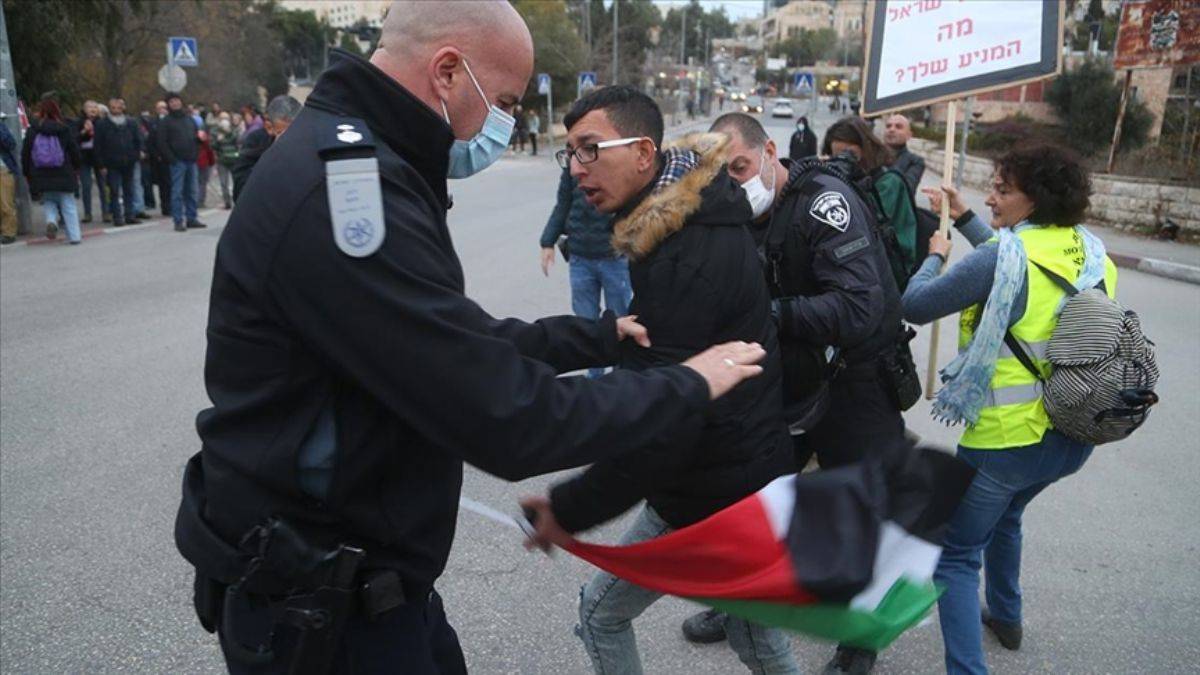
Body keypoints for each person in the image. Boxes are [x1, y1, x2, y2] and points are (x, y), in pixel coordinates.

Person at [173, 4, 768, 673]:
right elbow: (505, 414)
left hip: (371, 588)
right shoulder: (346, 193)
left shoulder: (367, 161)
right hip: (322, 609)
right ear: (448, 71)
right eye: (506, 101)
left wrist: (594, 338)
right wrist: (689, 382)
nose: (503, 124)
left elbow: (453, 337)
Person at [522, 88, 800, 675]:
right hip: (733, 475)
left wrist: (567, 509)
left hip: (714, 492)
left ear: (645, 152)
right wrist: (606, 338)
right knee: (761, 645)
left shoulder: (685, 253)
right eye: (569, 154)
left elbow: (664, 418)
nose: (576, 170)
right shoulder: (684, 225)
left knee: (602, 614)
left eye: (590, 151)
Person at [678, 112, 910, 675]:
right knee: (756, 503)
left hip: (857, 383)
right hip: (794, 380)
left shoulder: (824, 204)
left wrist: (770, 316)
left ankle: (861, 640)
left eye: (740, 167)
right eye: (721, 173)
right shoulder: (737, 213)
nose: (734, 182)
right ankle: (740, 607)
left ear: (769, 152)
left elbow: (859, 307)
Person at [904, 145, 1116, 675]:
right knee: (1010, 518)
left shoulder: (1004, 257)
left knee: (955, 557)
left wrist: (935, 252)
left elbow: (917, 304)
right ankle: (1007, 616)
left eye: (1002, 189)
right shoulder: (1090, 252)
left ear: (1035, 199)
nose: (990, 196)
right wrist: (968, 215)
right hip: (1071, 436)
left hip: (1005, 440)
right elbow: (1014, 269)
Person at [538, 167, 630, 379]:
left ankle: (621, 374)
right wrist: (547, 242)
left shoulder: (616, 162)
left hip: (614, 258)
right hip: (580, 258)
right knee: (586, 320)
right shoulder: (571, 169)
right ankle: (595, 373)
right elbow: (563, 205)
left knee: (620, 318)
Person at [823, 116, 920, 284]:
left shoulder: (888, 183)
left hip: (886, 277)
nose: (843, 162)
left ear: (866, 149)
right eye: (837, 157)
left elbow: (860, 224)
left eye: (850, 156)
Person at [22, 99, 83, 244]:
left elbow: (25, 154)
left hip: (41, 173)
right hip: (64, 172)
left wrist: (27, 173)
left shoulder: (32, 131)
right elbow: (74, 151)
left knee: (49, 201)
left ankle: (51, 221)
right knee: (68, 204)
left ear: (40, 112)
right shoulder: (64, 129)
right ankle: (74, 237)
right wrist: (77, 167)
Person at [231, 95, 301, 202]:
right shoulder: (255, 142)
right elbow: (241, 192)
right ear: (269, 127)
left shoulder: (307, 143)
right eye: (282, 132)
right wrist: (275, 153)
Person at [157, 92, 205, 232]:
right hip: (177, 161)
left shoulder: (189, 119)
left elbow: (197, 136)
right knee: (177, 192)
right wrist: (171, 159)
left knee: (192, 190)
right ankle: (178, 220)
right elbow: (162, 142)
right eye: (172, 102)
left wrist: (197, 146)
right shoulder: (165, 121)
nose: (175, 103)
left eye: (177, 101)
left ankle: (192, 218)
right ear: (168, 105)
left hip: (191, 159)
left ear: (181, 102)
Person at [94, 97, 145, 226]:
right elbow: (98, 146)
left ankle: (130, 215)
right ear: (109, 108)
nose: (116, 110)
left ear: (123, 107)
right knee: (114, 191)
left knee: (129, 189)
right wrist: (101, 164)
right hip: (111, 162)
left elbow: (138, 139)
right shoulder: (102, 124)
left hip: (129, 161)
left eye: (118, 107)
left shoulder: (131, 122)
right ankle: (117, 217)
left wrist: (138, 153)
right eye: (113, 108)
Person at [74, 100, 109, 224]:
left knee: (103, 186)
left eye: (95, 107)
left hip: (99, 158)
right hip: (84, 157)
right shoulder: (79, 122)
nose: (93, 109)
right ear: (84, 109)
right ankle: (88, 213)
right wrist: (84, 131)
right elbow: (74, 139)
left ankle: (106, 212)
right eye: (89, 107)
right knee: (86, 186)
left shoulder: (102, 122)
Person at [882, 114, 925, 192]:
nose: (891, 130)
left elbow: (905, 189)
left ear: (909, 135)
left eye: (898, 127)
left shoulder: (915, 161)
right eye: (888, 126)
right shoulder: (872, 156)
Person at [149, 100, 173, 217]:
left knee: (173, 183)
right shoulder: (153, 123)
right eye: (160, 108)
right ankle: (166, 206)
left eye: (164, 107)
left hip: (173, 157)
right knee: (164, 185)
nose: (162, 110)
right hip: (160, 159)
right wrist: (156, 155)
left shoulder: (172, 121)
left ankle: (174, 205)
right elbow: (151, 141)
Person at [210, 112, 238, 209]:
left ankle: (237, 200)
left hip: (233, 158)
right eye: (222, 118)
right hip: (222, 160)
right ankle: (227, 202)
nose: (224, 120)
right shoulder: (215, 131)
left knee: (236, 181)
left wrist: (228, 132)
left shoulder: (233, 129)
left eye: (226, 118)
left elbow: (236, 140)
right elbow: (213, 146)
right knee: (223, 182)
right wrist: (218, 140)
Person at [0, 119, 18, 244]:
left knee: (6, 203)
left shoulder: (1, 127)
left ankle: (9, 233)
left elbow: (11, 144)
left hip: (3, 169)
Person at [196, 127, 217, 208]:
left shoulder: (193, 137)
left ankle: (196, 199)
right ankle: (200, 201)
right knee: (203, 182)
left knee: (197, 182)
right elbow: (209, 151)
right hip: (204, 162)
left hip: (194, 161)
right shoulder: (206, 139)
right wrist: (212, 163)